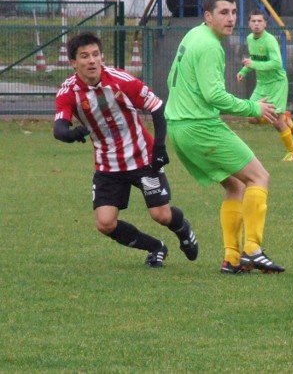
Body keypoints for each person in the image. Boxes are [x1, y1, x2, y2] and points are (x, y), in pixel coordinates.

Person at [165, 0, 285, 275]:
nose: (231, 18)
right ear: (208, 16)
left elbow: (173, 77)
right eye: (223, 12)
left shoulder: (194, 35)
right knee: (259, 176)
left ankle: (232, 258)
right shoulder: (209, 46)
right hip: (199, 126)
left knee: (236, 185)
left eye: (233, 12)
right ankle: (253, 250)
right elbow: (214, 96)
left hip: (179, 128)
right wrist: (253, 108)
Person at [53, 32, 198, 268]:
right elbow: (59, 127)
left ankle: (183, 230)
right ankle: (155, 247)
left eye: (95, 54)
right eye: (84, 56)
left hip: (143, 160)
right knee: (105, 223)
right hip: (108, 166)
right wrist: (70, 134)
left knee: (160, 214)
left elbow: (157, 107)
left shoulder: (121, 80)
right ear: (73, 62)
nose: (91, 60)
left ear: (101, 56)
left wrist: (159, 147)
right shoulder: (69, 91)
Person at [237, 9, 293, 162]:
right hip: (262, 84)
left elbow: (277, 63)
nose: (257, 24)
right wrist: (244, 71)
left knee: (276, 121)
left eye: (260, 21)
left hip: (276, 83)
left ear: (265, 24)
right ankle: (285, 118)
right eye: (253, 21)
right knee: (251, 115)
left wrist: (253, 64)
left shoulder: (269, 40)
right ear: (249, 24)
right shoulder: (250, 39)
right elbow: (253, 59)